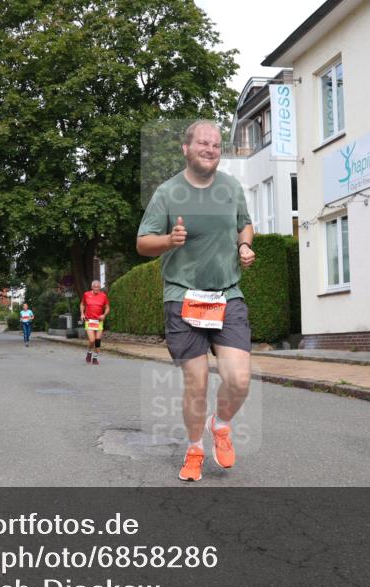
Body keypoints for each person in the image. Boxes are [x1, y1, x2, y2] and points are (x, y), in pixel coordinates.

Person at [136, 120, 255, 483]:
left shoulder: (231, 188)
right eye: (203, 143)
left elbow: (244, 224)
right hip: (183, 296)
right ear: (186, 149)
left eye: (217, 145)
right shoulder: (167, 193)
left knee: (239, 379)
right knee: (197, 382)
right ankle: (194, 449)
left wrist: (245, 244)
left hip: (227, 294)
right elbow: (142, 243)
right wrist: (169, 240)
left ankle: (220, 425)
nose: (210, 149)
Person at [80, 280, 110, 365]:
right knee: (92, 340)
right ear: (92, 287)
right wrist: (82, 314)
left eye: (98, 287)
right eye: (95, 287)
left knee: (97, 340)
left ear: (100, 287)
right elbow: (82, 304)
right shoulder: (86, 294)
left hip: (99, 321)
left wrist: (104, 315)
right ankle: (89, 352)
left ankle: (95, 358)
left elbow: (107, 307)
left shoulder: (103, 296)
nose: (96, 288)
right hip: (89, 320)